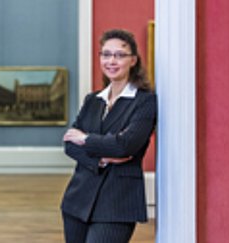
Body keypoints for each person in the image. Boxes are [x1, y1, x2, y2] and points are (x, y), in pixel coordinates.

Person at [61, 29, 157, 243]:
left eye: (119, 55)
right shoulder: (93, 100)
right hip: (77, 199)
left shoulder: (145, 102)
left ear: (133, 60)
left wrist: (86, 139)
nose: (111, 61)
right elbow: (69, 145)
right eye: (106, 54)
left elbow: (125, 146)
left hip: (117, 202)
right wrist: (102, 159)